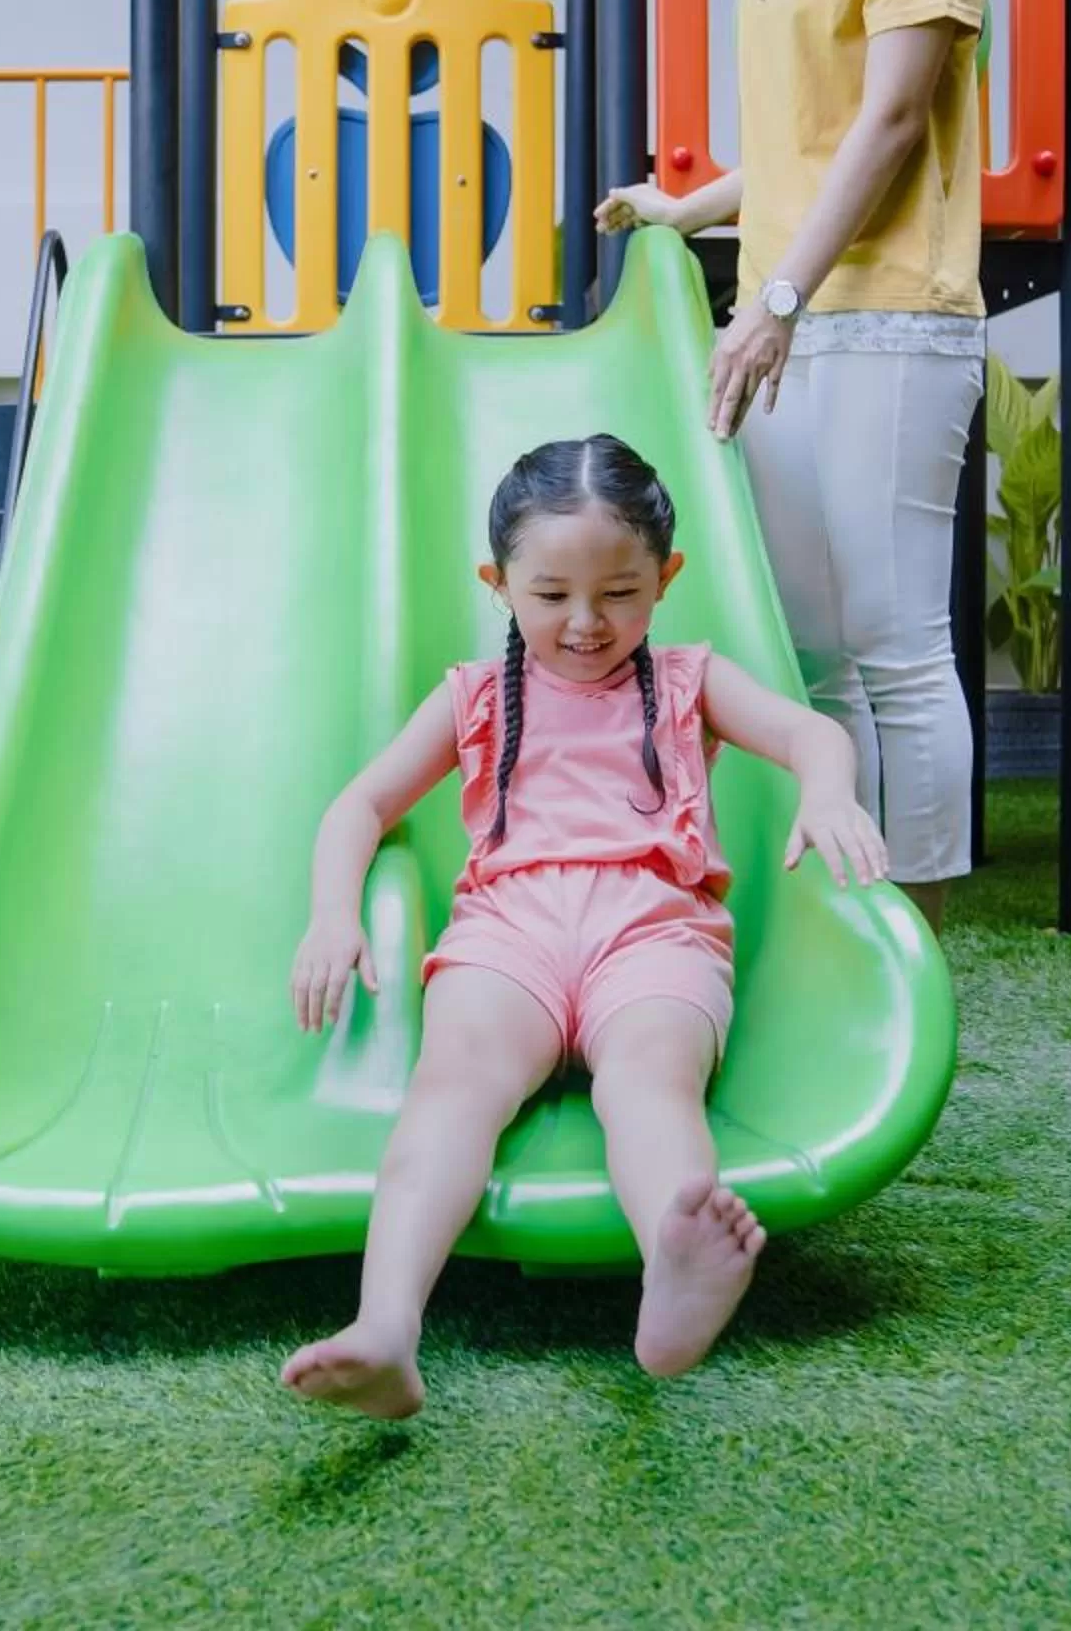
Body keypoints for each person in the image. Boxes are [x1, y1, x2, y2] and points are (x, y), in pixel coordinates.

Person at [279, 434, 890, 1419]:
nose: (585, 620)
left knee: (648, 1076)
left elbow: (811, 731)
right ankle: (385, 1325)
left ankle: (675, 1265)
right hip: (508, 934)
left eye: (620, 591)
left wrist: (826, 793)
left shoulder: (690, 680)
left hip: (654, 935)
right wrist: (331, 915)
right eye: (551, 592)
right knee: (455, 1085)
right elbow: (360, 805)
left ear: (665, 578)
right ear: (499, 582)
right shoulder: (474, 695)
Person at [597, 0, 990, 931]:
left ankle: (919, 943)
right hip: (789, 316)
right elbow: (804, 141)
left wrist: (775, 302)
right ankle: (855, 930)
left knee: (897, 648)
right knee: (817, 657)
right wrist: (690, 206)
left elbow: (887, 124)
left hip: (881, 317)